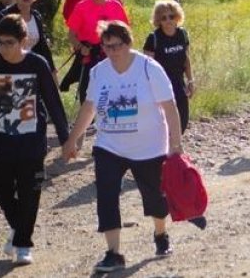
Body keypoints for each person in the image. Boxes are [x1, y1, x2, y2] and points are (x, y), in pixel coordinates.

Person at [63, 21, 183, 274]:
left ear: (128, 43)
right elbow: (89, 107)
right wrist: (72, 139)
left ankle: (160, 234)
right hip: (109, 145)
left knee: (153, 196)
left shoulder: (149, 68)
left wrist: (176, 143)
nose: (112, 51)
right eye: (107, 46)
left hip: (148, 146)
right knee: (106, 196)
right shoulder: (99, 72)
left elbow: (169, 107)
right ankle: (113, 253)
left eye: (117, 46)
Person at [0, 14, 69, 267]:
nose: (3, 48)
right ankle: (19, 229)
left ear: (23, 40)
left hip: (32, 140)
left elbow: (53, 103)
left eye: (9, 43)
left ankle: (23, 244)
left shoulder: (36, 64)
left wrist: (66, 139)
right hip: (1, 139)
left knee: (29, 190)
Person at [65, 0, 130, 105]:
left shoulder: (116, 6)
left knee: (113, 88)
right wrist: (80, 47)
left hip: (112, 53)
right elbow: (71, 34)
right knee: (88, 89)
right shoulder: (82, 6)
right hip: (89, 53)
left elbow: (125, 33)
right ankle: (89, 122)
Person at [143, 0, 194, 133]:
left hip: (179, 82)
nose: (168, 21)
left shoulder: (182, 34)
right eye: (164, 18)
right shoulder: (153, 38)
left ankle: (175, 146)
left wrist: (190, 81)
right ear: (158, 20)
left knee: (182, 118)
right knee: (163, 120)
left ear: (177, 16)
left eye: (171, 16)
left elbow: (186, 59)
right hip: (161, 84)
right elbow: (147, 66)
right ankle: (166, 149)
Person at [3, 0, 55, 73]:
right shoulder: (5, 16)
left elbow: (43, 46)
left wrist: (51, 70)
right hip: (9, 68)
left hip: (32, 67)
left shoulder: (36, 16)